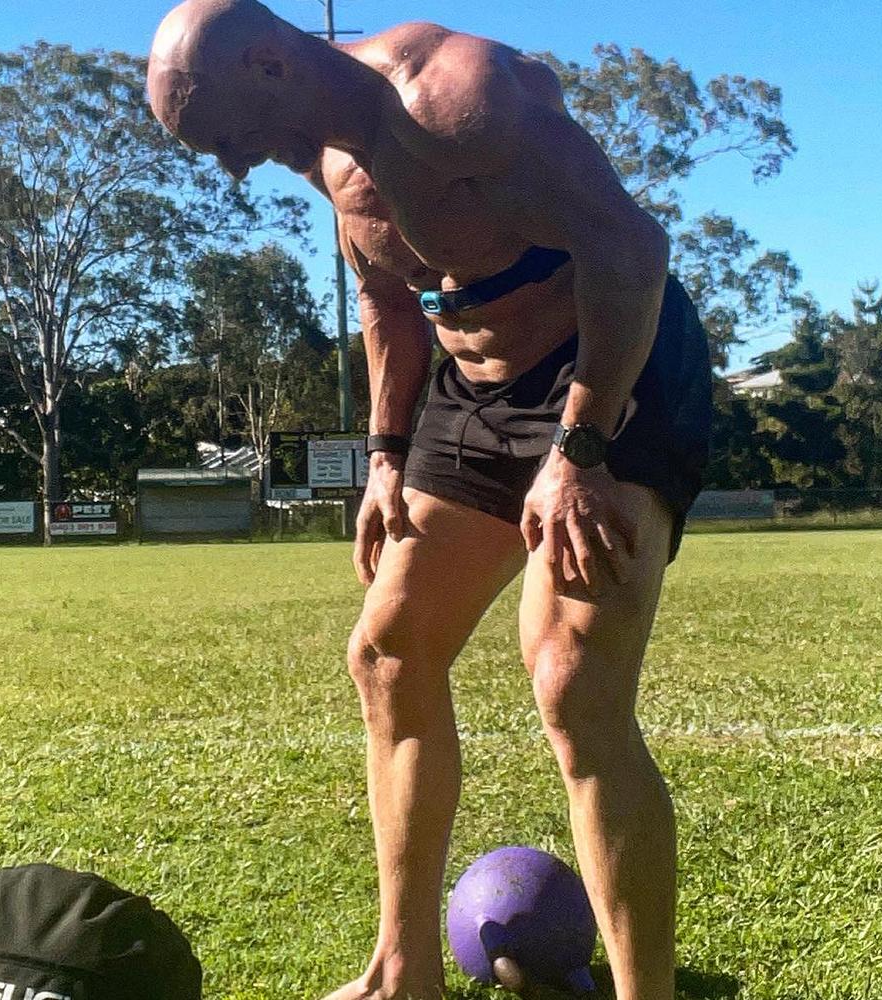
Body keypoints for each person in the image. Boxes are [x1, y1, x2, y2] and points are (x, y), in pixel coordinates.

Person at [147, 3, 712, 998]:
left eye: (228, 138)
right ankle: (402, 973)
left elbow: (632, 253)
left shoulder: (464, 104)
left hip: (607, 367)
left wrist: (577, 452)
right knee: (388, 651)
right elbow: (387, 305)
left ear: (272, 64)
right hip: (472, 390)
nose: (234, 168)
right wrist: (384, 456)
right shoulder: (328, 160)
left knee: (572, 682)